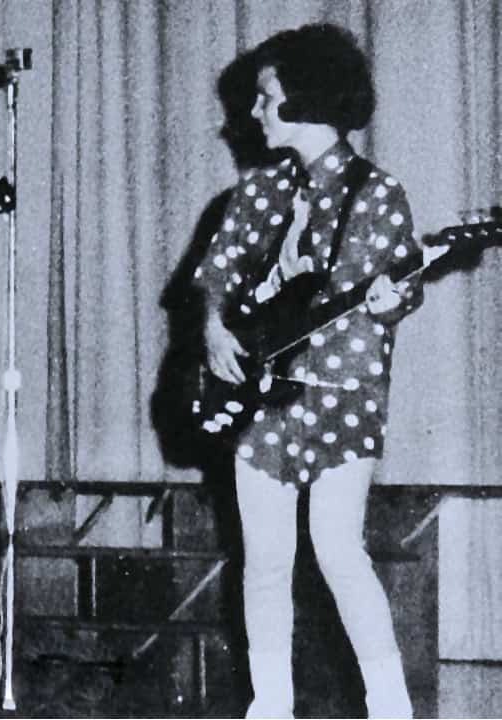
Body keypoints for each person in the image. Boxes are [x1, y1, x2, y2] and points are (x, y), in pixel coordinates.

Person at [194, 24, 421, 718]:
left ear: (302, 102)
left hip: (339, 396)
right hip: (263, 396)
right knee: (262, 563)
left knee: (335, 549)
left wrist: (392, 297)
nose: (253, 113)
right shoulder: (257, 191)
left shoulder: (376, 194)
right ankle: (270, 707)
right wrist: (211, 328)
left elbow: (398, 287)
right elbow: (218, 273)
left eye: (265, 98)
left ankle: (390, 707)